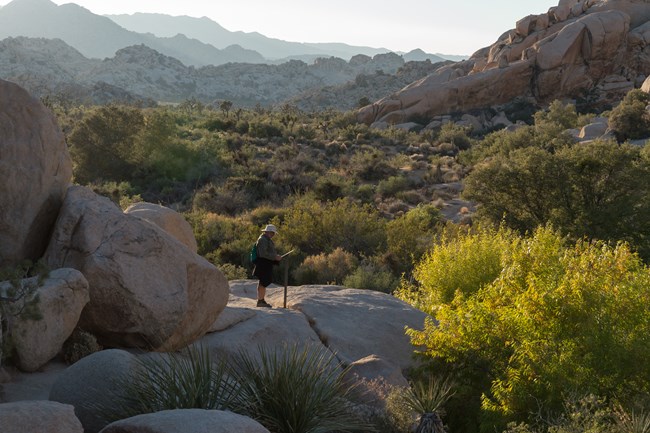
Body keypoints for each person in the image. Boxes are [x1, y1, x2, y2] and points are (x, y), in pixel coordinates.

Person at [253, 224, 282, 307]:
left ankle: (261, 300)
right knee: (262, 282)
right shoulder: (263, 240)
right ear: (267, 232)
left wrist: (275, 257)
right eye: (272, 233)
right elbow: (263, 254)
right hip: (263, 264)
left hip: (265, 264)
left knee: (263, 282)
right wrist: (275, 257)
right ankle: (260, 301)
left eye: (273, 233)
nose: (273, 235)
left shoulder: (266, 239)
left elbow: (268, 252)